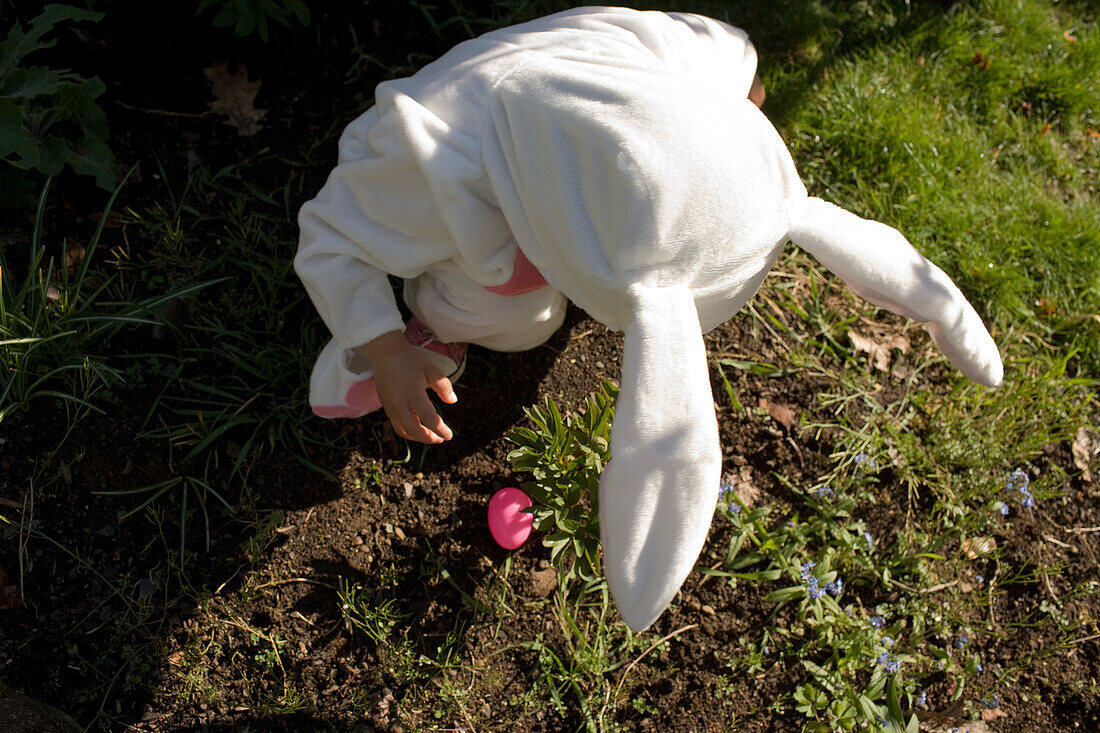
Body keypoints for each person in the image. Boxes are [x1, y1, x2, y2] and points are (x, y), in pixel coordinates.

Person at [295, 6, 1003, 632]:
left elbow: (733, 53)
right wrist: (380, 343)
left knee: (553, 297)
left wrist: (739, 133)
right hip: (479, 215)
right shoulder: (420, 161)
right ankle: (434, 327)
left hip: (550, 168)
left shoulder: (679, 65)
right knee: (525, 318)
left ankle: (578, 267)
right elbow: (329, 236)